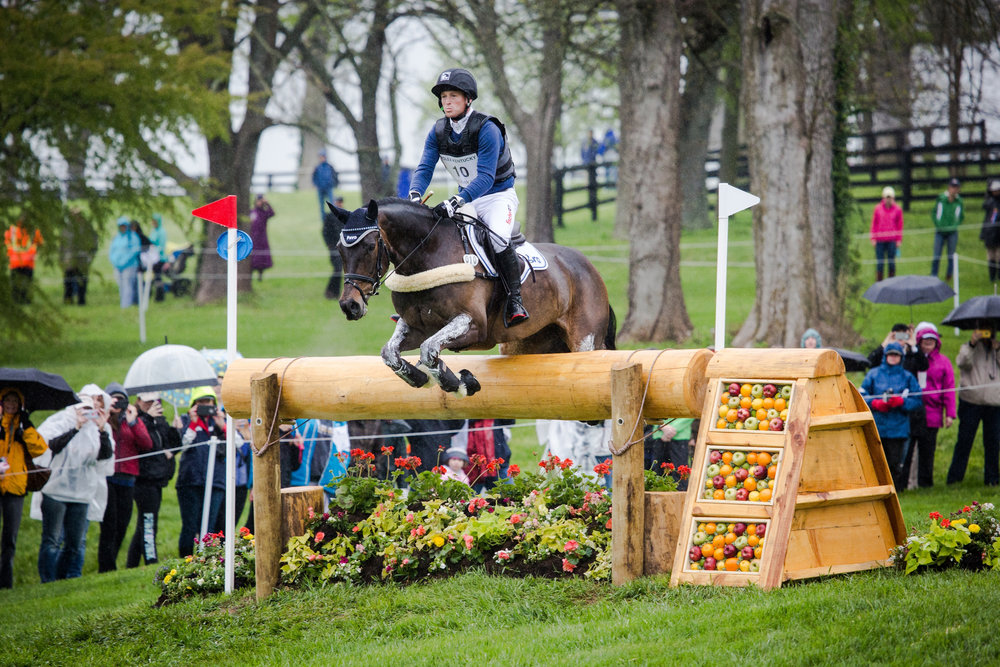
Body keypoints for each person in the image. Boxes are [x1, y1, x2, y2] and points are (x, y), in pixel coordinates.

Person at [407, 68, 528, 327]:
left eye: (453, 96)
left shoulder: (487, 129)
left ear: (468, 99)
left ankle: (515, 300)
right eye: (444, 97)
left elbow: (485, 177)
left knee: (497, 237)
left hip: (497, 196)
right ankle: (420, 303)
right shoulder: (438, 132)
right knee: (441, 236)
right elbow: (425, 168)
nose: (447, 101)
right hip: (469, 199)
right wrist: (415, 194)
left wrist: (455, 200)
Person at [35, 385, 114, 583]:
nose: (92, 406)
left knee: (74, 542)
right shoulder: (61, 421)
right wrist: (76, 428)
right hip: (55, 491)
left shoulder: (100, 427)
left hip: (82, 494)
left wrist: (103, 429)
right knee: (52, 540)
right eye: (89, 402)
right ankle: (47, 581)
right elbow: (51, 447)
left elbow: (105, 456)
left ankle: (61, 580)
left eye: (97, 402)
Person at [98, 383, 153, 573]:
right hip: (108, 478)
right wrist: (106, 414)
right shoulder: (103, 420)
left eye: (121, 399)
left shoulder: (131, 420)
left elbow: (146, 443)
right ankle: (106, 567)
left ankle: (111, 562)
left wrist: (133, 421)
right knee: (109, 524)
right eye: (114, 398)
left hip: (128, 479)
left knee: (122, 523)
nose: (117, 403)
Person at [0, 387, 48, 588]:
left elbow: (40, 449)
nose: (11, 405)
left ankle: (6, 582)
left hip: (16, 487)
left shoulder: (24, 426)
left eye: (15, 401)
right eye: (7, 401)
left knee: (10, 537)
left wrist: (26, 428)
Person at [175, 387, 230, 557]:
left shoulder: (220, 422)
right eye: (201, 403)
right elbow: (182, 445)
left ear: (215, 404)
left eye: (208, 402)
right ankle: (185, 561)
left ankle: (208, 562)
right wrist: (192, 422)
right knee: (190, 525)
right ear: (193, 405)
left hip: (215, 481)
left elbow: (238, 445)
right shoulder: (184, 420)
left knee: (210, 526)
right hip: (190, 481)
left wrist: (223, 425)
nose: (205, 406)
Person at [860, 342, 922, 490]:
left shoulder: (907, 377)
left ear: (901, 357)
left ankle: (894, 492)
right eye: (890, 355)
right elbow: (861, 395)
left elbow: (918, 399)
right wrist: (874, 403)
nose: (893, 357)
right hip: (877, 426)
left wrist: (901, 401)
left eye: (896, 355)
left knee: (895, 463)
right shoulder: (873, 374)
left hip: (898, 428)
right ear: (885, 356)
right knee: (877, 462)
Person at [126, 392, 178, 568]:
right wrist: (148, 418)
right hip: (143, 480)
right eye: (147, 401)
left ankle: (131, 564)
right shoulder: (137, 418)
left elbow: (171, 447)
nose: (152, 405)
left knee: (144, 524)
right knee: (148, 523)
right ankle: (151, 562)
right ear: (138, 401)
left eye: (155, 401)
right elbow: (147, 445)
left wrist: (174, 429)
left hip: (158, 479)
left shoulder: (159, 420)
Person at [900, 327, 955, 488]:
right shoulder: (910, 357)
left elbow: (949, 387)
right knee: (908, 451)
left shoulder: (943, 361)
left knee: (927, 451)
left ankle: (925, 484)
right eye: (925, 338)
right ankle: (903, 483)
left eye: (932, 339)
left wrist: (949, 414)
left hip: (933, 411)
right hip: (912, 410)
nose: (928, 342)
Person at [947, 326, 1000, 487]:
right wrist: (972, 343)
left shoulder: (997, 348)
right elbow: (962, 363)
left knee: (993, 442)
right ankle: (955, 478)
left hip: (994, 402)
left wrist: (997, 350)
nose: (986, 334)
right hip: (971, 401)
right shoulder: (967, 347)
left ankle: (992, 478)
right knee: (964, 440)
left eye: (989, 331)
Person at [60, 207, 98, 306]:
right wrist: (62, 259)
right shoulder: (66, 228)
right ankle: (68, 301)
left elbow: (94, 243)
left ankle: (81, 301)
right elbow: (62, 245)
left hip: (82, 260)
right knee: (68, 282)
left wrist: (90, 257)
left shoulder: (87, 227)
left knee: (82, 281)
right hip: (69, 261)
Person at [4, 215, 43, 305]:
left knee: (25, 284)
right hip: (17, 262)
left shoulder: (32, 231)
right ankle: (18, 301)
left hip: (24, 262)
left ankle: (23, 301)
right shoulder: (13, 230)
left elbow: (39, 243)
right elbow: (7, 243)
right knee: (18, 284)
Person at [930, 177, 964, 281]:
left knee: (951, 256)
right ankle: (933, 276)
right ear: (949, 187)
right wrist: (938, 224)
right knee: (936, 255)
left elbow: (961, 216)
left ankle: (949, 276)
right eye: (952, 187)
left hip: (952, 232)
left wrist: (955, 225)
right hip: (940, 231)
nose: (954, 189)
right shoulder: (941, 198)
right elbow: (934, 212)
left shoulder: (959, 201)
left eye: (956, 187)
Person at [870, 186, 903, 281]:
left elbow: (899, 225)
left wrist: (898, 239)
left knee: (891, 262)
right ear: (883, 198)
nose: (888, 200)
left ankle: (891, 281)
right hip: (880, 240)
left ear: (893, 198)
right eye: (886, 197)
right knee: (880, 263)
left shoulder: (897, 210)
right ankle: (879, 282)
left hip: (891, 240)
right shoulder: (878, 209)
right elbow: (874, 223)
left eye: (890, 198)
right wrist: (873, 238)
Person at [109, 215, 141, 308]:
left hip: (130, 265)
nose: (122, 228)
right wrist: (115, 261)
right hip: (117, 266)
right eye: (121, 226)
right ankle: (123, 303)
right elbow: (112, 251)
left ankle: (126, 305)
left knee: (128, 285)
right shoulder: (117, 237)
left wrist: (125, 261)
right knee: (121, 285)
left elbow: (134, 250)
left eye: (124, 226)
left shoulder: (133, 237)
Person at [321, 196, 345, 300]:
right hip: (334, 247)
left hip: (343, 247)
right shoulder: (329, 216)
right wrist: (329, 244)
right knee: (337, 269)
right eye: (338, 202)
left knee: (339, 270)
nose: (339, 204)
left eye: (341, 202)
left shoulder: (344, 216)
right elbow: (325, 232)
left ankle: (334, 292)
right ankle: (331, 291)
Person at [248, 194, 275, 281]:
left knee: (261, 258)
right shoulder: (252, 212)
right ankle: (250, 275)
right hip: (252, 238)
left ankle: (260, 275)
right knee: (252, 258)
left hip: (262, 238)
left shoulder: (264, 213)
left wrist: (267, 203)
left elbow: (272, 213)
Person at [979, 180, 1000, 282]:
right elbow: (987, 216)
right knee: (991, 255)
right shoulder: (990, 202)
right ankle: (992, 277)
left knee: (998, 256)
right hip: (989, 233)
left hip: (998, 233)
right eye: (994, 190)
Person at [311, 148, 339, 224]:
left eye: (323, 156)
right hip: (320, 188)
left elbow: (334, 175)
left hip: (329, 188)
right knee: (321, 205)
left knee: (332, 203)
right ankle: (323, 220)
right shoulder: (317, 168)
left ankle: (333, 217)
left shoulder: (329, 166)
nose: (322, 158)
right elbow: (314, 177)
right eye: (320, 157)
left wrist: (333, 183)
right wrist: (316, 184)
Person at [147, 214, 169, 301]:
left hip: (160, 258)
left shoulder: (162, 232)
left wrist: (155, 250)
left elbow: (162, 245)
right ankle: (153, 295)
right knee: (154, 277)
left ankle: (160, 296)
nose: (154, 223)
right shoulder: (153, 231)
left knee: (157, 277)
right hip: (152, 257)